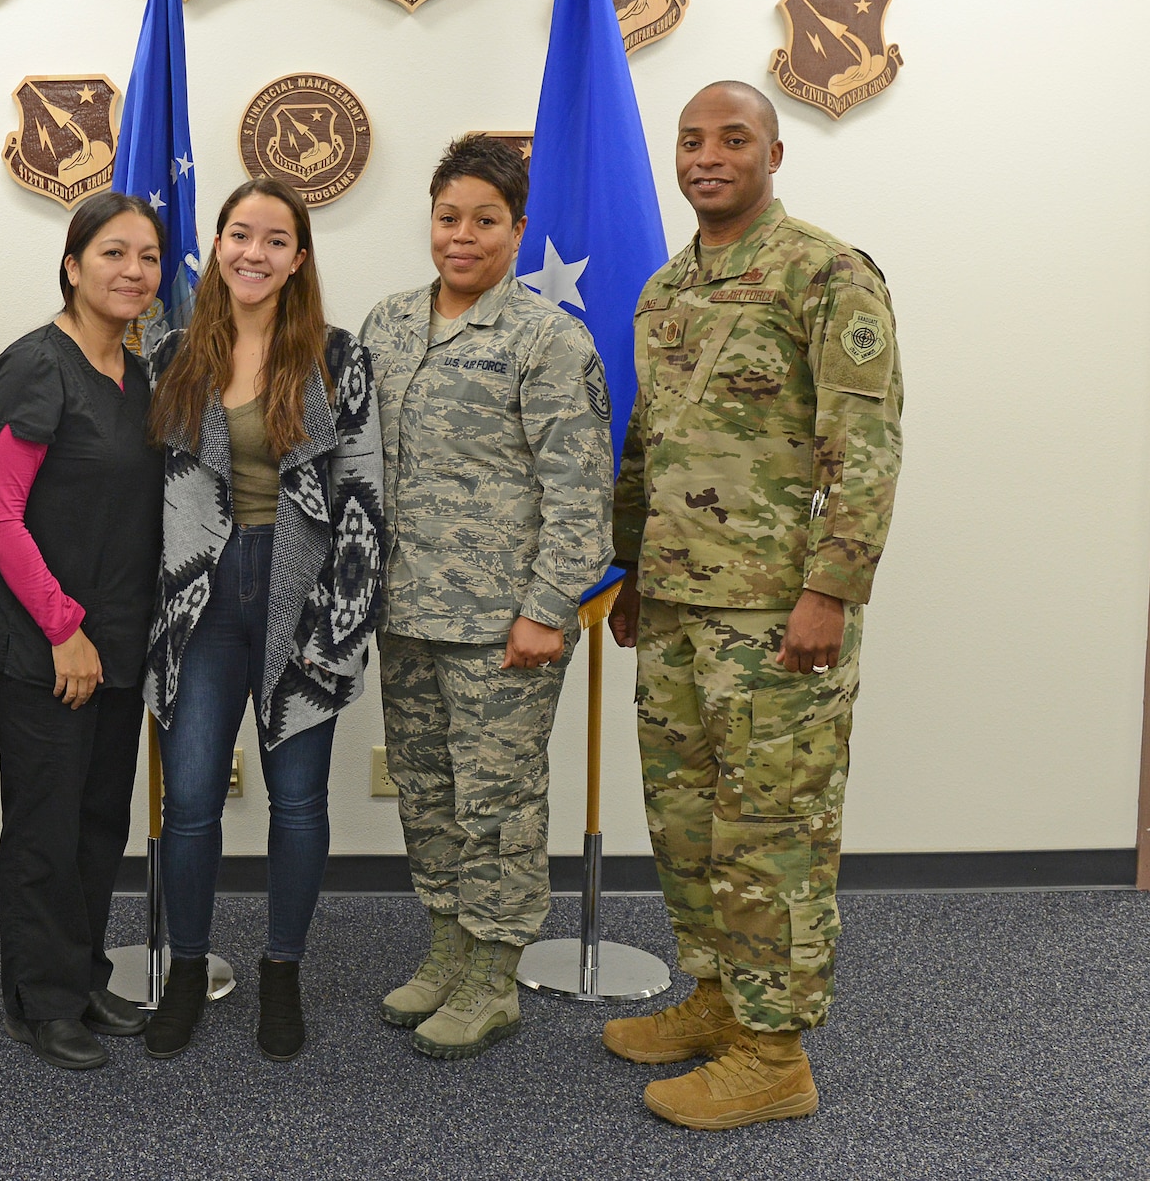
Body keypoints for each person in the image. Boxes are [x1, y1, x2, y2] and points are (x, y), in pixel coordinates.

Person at [606, 81, 902, 1130]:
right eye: (689, 141)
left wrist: (828, 591)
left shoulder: (823, 273)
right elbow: (650, 444)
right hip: (682, 609)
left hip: (775, 615)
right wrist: (632, 573)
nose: (706, 156)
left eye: (731, 138)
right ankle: (720, 1003)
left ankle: (773, 1055)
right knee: (687, 823)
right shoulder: (666, 287)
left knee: (769, 830)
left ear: (773, 153)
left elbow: (862, 447)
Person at [360, 134, 614, 1060]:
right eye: (447, 217)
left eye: (484, 221)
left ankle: (494, 977)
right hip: (405, 612)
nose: (461, 236)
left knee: (498, 801)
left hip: (503, 622)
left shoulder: (548, 339)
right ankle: (445, 950)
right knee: (428, 793)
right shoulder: (386, 325)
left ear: (516, 229)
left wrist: (547, 609)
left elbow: (580, 490)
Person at [141, 177, 384, 1063]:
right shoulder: (170, 352)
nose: (254, 252)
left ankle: (282, 973)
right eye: (239, 235)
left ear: (299, 258)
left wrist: (340, 627)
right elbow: (148, 497)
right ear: (217, 245)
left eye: (275, 240)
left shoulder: (339, 357)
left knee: (298, 801)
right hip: (197, 600)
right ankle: (187, 973)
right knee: (193, 799)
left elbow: (363, 498)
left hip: (304, 594)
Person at [0, 193, 168, 1070]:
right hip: (45, 644)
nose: (133, 272)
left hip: (122, 640)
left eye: (149, 257)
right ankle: (41, 1002)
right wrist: (63, 629)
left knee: (98, 822)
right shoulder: (34, 367)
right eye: (113, 254)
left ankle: (85, 975)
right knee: (46, 826)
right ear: (72, 264)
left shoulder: (144, 374)